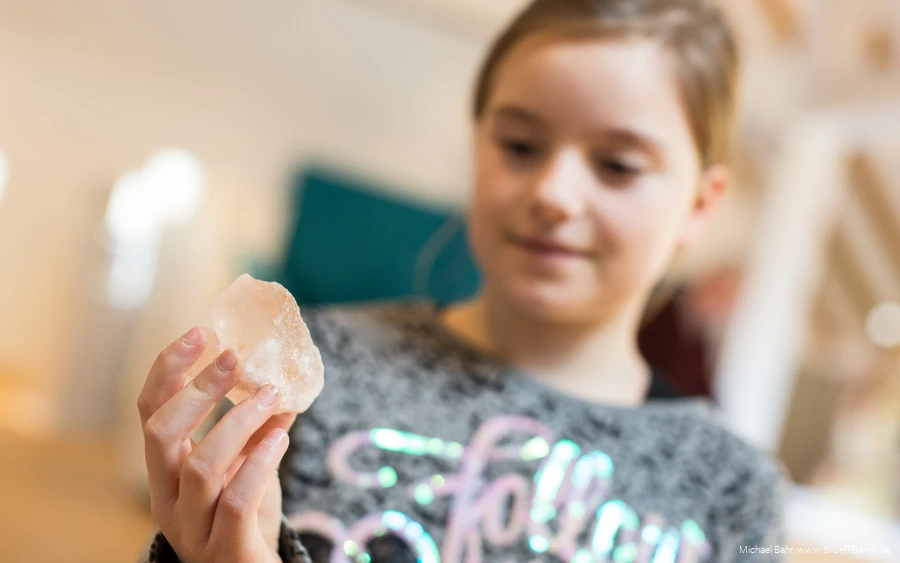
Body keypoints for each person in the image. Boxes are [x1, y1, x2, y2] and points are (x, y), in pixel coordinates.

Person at [137, 0, 787, 561]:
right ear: (479, 145)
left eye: (616, 165)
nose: (554, 193)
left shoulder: (734, 490)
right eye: (520, 145)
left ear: (701, 203)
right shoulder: (329, 368)